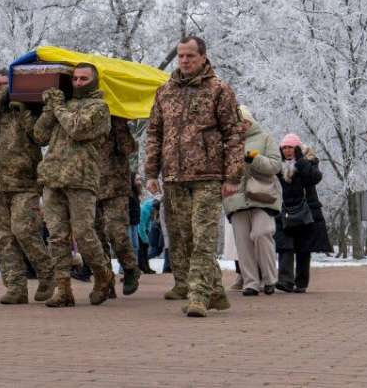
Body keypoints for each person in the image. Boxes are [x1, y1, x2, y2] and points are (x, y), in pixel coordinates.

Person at [145, 36, 244, 318]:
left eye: (190, 56)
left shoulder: (219, 90)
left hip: (208, 176)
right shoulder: (165, 92)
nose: (185, 61)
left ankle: (198, 296)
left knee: (203, 237)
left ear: (202, 57)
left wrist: (233, 176)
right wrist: (151, 172)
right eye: (181, 56)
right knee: (183, 239)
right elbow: (154, 133)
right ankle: (216, 293)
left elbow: (234, 134)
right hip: (174, 177)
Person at [0, 69, 56, 304]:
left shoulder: (26, 107)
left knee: (24, 230)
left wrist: (24, 108)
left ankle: (48, 273)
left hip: (24, 181)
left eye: (3, 84)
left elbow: (41, 137)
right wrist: (5, 93)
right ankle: (15, 287)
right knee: (3, 237)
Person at [33, 62, 115, 307]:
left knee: (84, 234)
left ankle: (103, 276)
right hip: (53, 177)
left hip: (81, 178)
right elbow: (39, 135)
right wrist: (49, 108)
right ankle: (64, 289)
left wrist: (57, 106)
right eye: (75, 79)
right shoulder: (62, 106)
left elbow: (78, 129)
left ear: (94, 81)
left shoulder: (100, 108)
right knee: (57, 237)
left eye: (83, 79)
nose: (78, 83)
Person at [222, 109, 282, 297]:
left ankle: (270, 279)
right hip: (235, 199)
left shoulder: (265, 138)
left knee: (262, 233)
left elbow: (275, 166)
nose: (240, 125)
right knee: (243, 243)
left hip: (261, 196)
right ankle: (251, 283)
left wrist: (252, 157)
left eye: (243, 121)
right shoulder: (226, 142)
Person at [93, 116, 142, 297]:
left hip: (115, 186)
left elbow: (128, 148)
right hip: (89, 186)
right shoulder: (84, 118)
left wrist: (119, 124)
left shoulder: (116, 122)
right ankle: (105, 280)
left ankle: (130, 268)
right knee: (96, 238)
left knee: (116, 232)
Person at [275, 135, 328, 293]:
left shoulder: (309, 161)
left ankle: (301, 282)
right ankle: (285, 281)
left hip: (306, 211)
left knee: (303, 248)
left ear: (297, 148)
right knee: (285, 246)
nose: (287, 151)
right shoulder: (278, 165)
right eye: (284, 148)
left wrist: (300, 161)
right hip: (284, 211)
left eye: (290, 147)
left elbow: (315, 178)